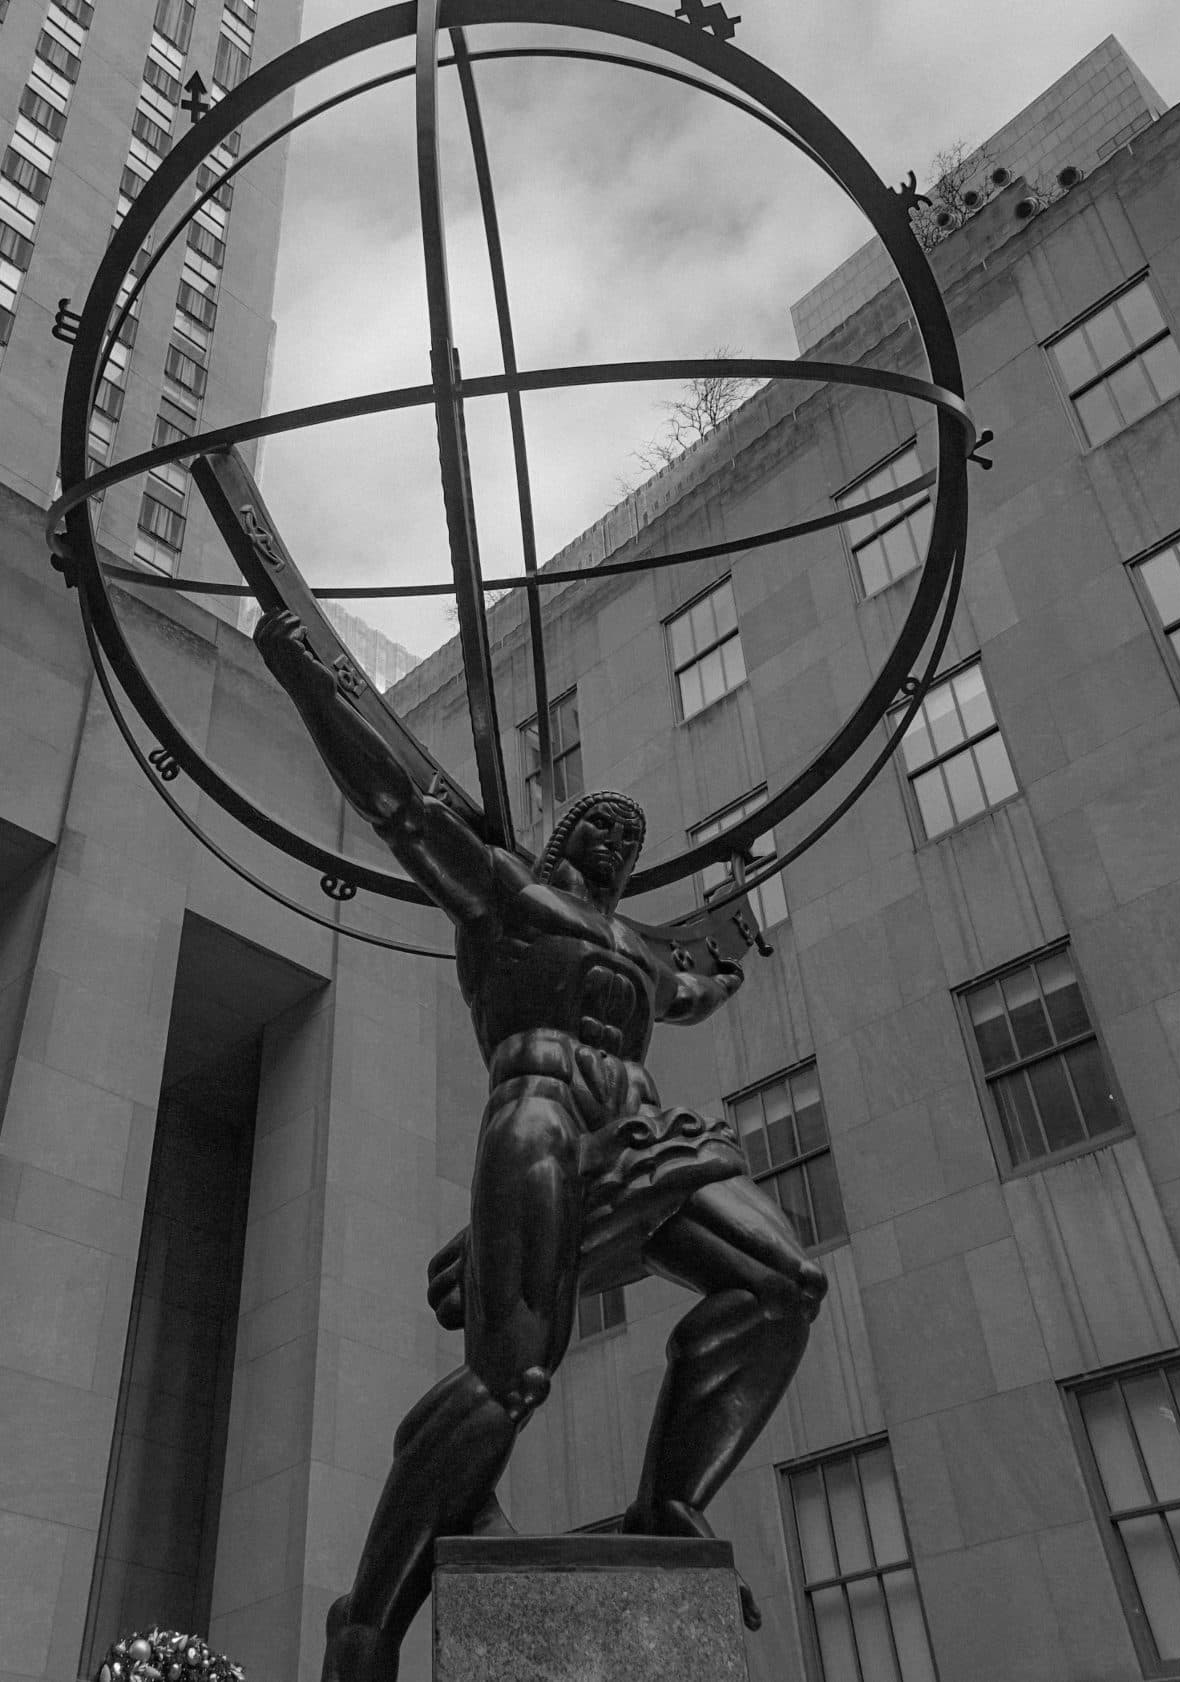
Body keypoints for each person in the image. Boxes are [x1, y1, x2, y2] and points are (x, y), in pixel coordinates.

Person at [251, 611, 827, 1682]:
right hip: (541, 1120)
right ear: (562, 841)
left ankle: (668, 1501)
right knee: (512, 1376)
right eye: (599, 827)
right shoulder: (506, 895)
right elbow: (398, 806)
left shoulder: (643, 951)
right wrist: (304, 678)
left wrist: (744, 910)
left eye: (629, 840)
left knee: (784, 1283)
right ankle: (366, 1621)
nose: (616, 844)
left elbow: (707, 978)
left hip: (643, 1137)